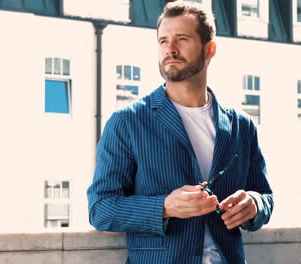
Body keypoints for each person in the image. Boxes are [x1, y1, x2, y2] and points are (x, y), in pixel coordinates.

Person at [87, 1, 273, 263]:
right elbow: (100, 209)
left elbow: (264, 195)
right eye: (163, 41)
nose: (170, 49)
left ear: (209, 49)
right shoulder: (127, 122)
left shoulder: (241, 126)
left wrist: (255, 205)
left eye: (182, 39)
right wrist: (164, 207)